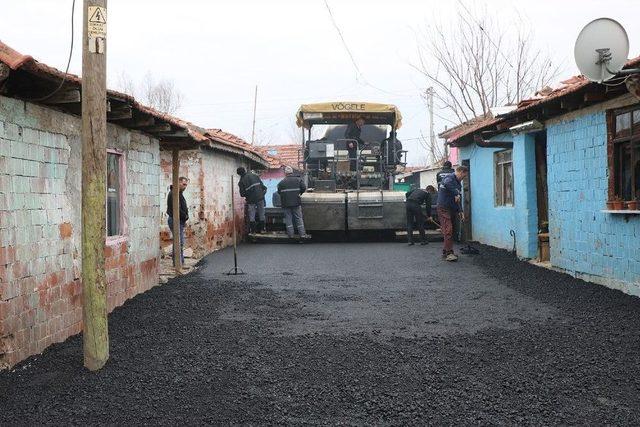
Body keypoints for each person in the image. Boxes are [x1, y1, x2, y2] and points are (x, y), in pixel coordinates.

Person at [437, 166, 468, 261]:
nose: (464, 178)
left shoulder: (458, 184)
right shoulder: (449, 178)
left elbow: (458, 199)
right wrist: (456, 193)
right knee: (448, 230)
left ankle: (445, 251)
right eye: (463, 176)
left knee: (450, 230)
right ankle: (449, 253)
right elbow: (447, 184)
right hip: (443, 208)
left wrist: (460, 211)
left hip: (451, 209)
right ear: (460, 172)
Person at [277, 166, 308, 240]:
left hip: (286, 203)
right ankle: (302, 234)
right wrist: (299, 193)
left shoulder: (281, 182)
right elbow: (304, 187)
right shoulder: (298, 180)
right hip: (296, 202)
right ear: (292, 172)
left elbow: (279, 192)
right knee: (298, 218)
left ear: (285, 173)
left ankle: (291, 235)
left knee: (288, 219)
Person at [166, 177, 189, 265]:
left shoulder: (179, 193)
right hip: (175, 220)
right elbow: (177, 209)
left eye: (186, 185)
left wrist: (184, 219)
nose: (185, 186)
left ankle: (179, 262)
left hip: (179, 220)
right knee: (179, 242)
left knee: (178, 242)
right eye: (183, 184)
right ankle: (178, 263)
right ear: (178, 183)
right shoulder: (174, 193)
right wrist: (185, 216)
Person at [237, 167, 267, 234]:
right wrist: (262, 194)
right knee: (261, 213)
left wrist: (248, 194)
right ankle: (263, 229)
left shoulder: (241, 181)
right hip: (260, 198)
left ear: (239, 174)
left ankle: (253, 231)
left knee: (252, 215)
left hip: (251, 200)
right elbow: (263, 187)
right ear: (245, 171)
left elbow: (242, 194)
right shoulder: (255, 175)